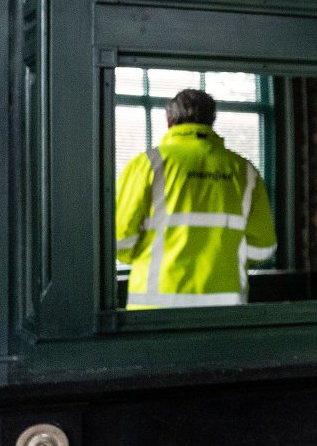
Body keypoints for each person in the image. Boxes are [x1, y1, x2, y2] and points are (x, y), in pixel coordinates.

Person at [114, 88, 276, 308]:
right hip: (226, 311)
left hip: (155, 310)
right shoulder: (245, 171)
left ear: (169, 120)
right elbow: (263, 248)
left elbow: (119, 241)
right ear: (212, 120)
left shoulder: (145, 166)